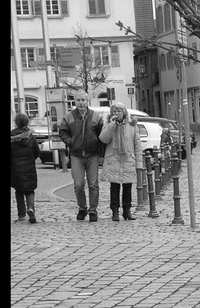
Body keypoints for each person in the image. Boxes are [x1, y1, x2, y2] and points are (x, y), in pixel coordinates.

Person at [58, 93, 104, 221]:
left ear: (87, 100)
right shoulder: (69, 117)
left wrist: (102, 154)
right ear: (75, 102)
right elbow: (62, 131)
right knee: (78, 184)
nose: (81, 103)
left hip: (92, 154)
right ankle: (82, 207)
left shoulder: (95, 116)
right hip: (76, 155)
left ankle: (93, 210)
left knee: (93, 184)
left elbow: (102, 134)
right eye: (78, 100)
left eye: (83, 100)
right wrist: (70, 141)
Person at [99, 103, 144, 221]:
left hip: (128, 159)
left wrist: (139, 163)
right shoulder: (109, 124)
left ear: (124, 112)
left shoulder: (132, 125)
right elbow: (103, 139)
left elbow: (137, 145)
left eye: (119, 111)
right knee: (114, 187)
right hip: (114, 159)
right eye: (114, 111)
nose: (117, 114)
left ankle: (127, 210)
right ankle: (114, 211)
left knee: (127, 187)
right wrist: (111, 126)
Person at [11, 112, 40, 224]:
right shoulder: (30, 137)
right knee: (30, 190)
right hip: (29, 168)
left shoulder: (11, 136)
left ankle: (21, 215)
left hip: (15, 169)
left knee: (19, 191)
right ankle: (31, 208)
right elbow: (37, 152)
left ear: (16, 122)